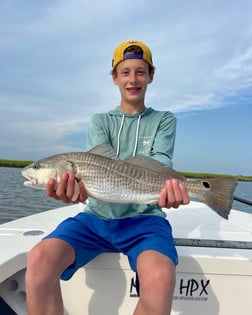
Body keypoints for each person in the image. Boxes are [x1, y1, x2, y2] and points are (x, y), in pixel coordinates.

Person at [25, 40, 190, 315]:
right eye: (125, 72)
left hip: (145, 220)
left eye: (140, 71)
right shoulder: (99, 121)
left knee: (160, 279)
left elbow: (160, 165)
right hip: (95, 219)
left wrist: (169, 189)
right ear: (114, 78)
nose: (133, 79)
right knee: (39, 259)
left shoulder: (164, 119)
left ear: (151, 76)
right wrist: (73, 193)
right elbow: (96, 170)